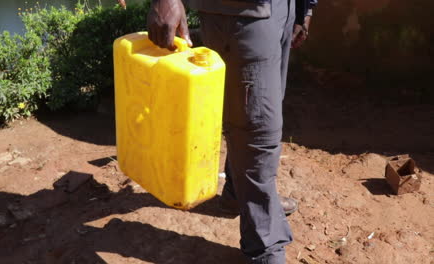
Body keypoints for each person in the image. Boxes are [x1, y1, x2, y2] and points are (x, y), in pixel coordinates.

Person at [118, 0, 317, 263]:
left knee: (258, 109)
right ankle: (265, 247)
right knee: (257, 127)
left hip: (283, 8)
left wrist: (304, 9)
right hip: (238, 12)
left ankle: (237, 193)